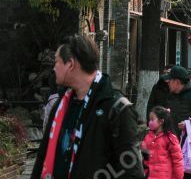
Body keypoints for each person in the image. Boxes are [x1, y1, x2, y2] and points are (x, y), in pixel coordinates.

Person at [31, 34, 145, 179]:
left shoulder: (115, 108)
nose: (54, 68)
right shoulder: (62, 104)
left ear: (70, 64)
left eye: (56, 62)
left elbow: (132, 169)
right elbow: (43, 156)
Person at [143, 106, 185, 179]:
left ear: (161, 121)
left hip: (164, 176)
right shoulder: (147, 136)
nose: (149, 122)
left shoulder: (170, 138)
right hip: (148, 175)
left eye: (152, 119)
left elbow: (177, 160)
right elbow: (145, 158)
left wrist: (178, 177)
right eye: (149, 119)